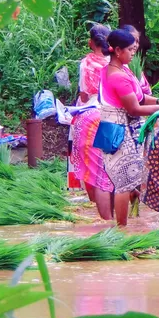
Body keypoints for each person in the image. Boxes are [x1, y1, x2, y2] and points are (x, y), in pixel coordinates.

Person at [99, 28, 159, 226]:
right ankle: (122, 229)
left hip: (127, 132)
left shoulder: (123, 69)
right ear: (118, 51)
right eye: (130, 50)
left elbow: (140, 97)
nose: (133, 52)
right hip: (121, 134)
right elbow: (134, 108)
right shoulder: (116, 76)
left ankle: (126, 224)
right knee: (123, 184)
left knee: (130, 180)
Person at [69, 25, 113, 219]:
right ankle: (119, 221)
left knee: (99, 174)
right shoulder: (117, 61)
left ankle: (106, 223)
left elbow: (84, 95)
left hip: (90, 117)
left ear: (90, 43)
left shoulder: (86, 63)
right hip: (113, 116)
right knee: (114, 171)